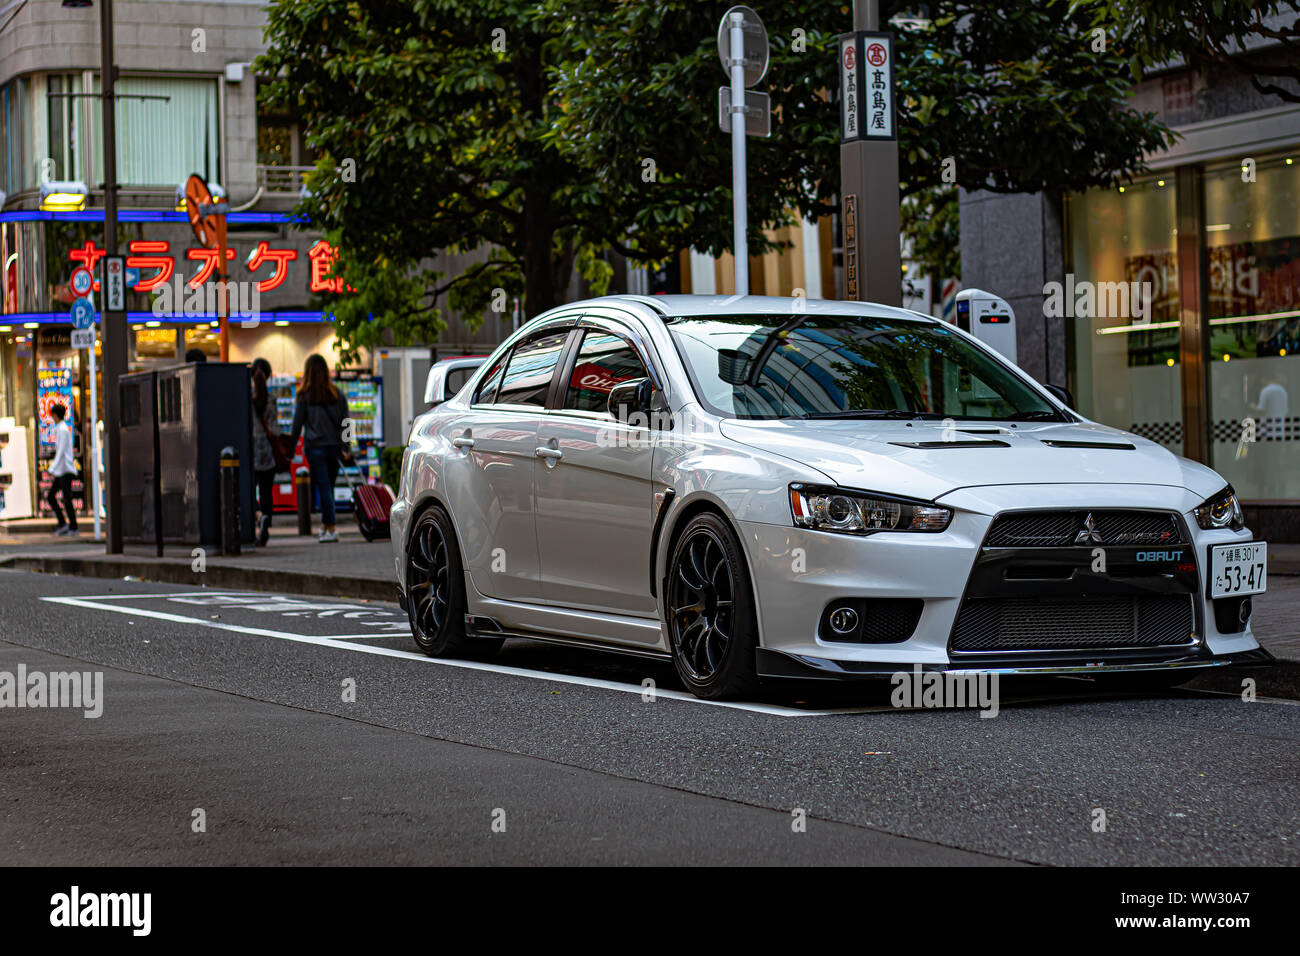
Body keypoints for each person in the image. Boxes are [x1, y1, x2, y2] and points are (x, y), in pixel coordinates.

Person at [288, 354, 349, 543]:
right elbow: (346, 422)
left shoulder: (303, 396)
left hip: (314, 448)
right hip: (334, 448)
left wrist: (290, 451)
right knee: (328, 486)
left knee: (323, 487)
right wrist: (346, 447)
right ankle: (325, 526)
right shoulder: (337, 394)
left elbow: (297, 426)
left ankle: (330, 528)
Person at [249, 357, 279, 547]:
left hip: (251, 450)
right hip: (268, 451)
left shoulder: (247, 398)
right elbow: (275, 428)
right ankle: (266, 519)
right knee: (267, 491)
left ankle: (257, 514)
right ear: (268, 376)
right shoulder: (272, 399)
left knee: (250, 489)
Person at [47, 403, 78, 536]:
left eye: (53, 414)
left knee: (64, 498)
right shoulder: (61, 428)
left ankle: (72, 526)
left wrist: (52, 467)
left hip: (65, 470)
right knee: (54, 497)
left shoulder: (63, 429)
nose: (52, 417)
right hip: (62, 471)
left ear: (55, 415)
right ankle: (64, 524)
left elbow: (60, 451)